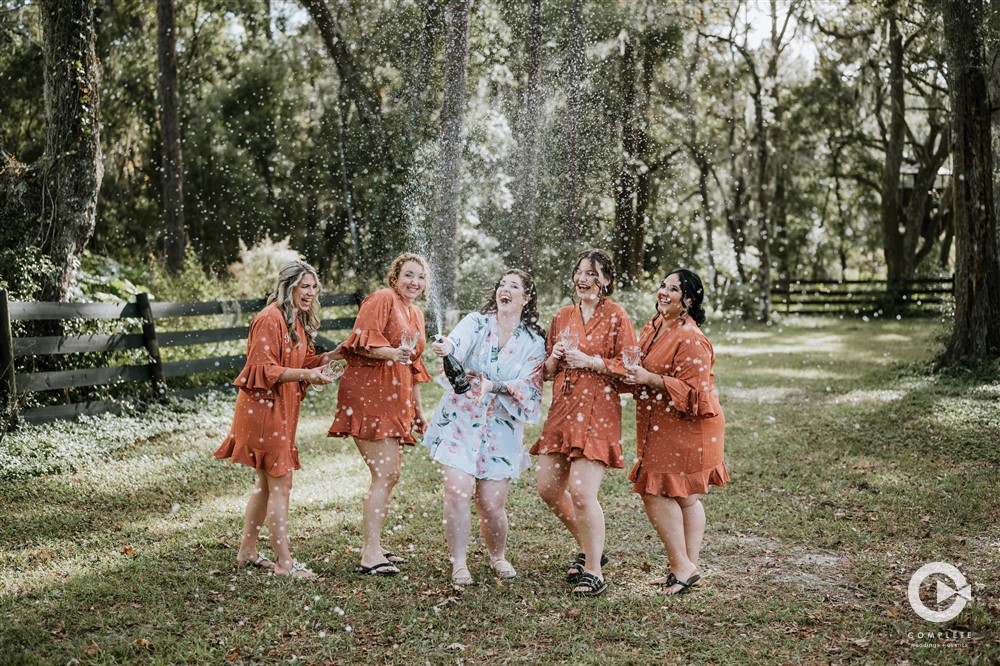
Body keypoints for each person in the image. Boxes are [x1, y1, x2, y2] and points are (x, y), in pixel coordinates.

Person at [422, 269, 547, 586]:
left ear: (526, 298)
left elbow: (529, 386)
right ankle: (459, 563)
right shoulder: (476, 322)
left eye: (514, 286)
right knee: (456, 492)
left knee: (491, 505)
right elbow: (456, 343)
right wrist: (448, 348)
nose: (505, 289)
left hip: (502, 429)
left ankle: (497, 556)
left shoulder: (534, 342)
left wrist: (494, 386)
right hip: (461, 421)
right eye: (502, 284)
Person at [214, 260, 338, 579]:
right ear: (289, 286)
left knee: (265, 484)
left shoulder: (297, 319)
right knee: (281, 484)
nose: (310, 293)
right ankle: (285, 564)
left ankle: (247, 551)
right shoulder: (270, 318)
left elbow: (303, 360)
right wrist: (306, 373)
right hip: (263, 408)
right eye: (304, 286)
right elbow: (263, 369)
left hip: (280, 408)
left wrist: (331, 358)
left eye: (314, 287)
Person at [530, 249, 637, 598]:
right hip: (563, 409)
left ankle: (594, 572)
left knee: (582, 492)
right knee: (547, 487)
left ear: (606, 280)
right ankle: (590, 547)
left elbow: (629, 368)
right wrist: (553, 359)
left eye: (592, 273)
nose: (583, 279)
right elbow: (545, 373)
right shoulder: (562, 316)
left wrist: (592, 361)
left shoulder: (618, 317)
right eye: (579, 272)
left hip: (597, 410)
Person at [624, 269, 729, 595]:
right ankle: (685, 569)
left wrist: (648, 379)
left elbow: (695, 394)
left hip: (690, 425)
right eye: (662, 286)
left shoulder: (691, 339)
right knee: (684, 497)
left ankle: (682, 566)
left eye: (673, 289)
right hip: (664, 422)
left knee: (655, 490)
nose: (663, 292)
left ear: (689, 300)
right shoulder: (656, 325)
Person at [328, 253, 432, 576]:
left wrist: (417, 409)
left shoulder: (415, 313)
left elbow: (413, 366)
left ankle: (375, 544)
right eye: (408, 275)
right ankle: (370, 553)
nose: (414, 282)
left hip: (395, 400)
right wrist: (391, 352)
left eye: (420, 277)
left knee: (391, 474)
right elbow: (359, 343)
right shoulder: (382, 299)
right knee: (385, 474)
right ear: (395, 276)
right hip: (370, 395)